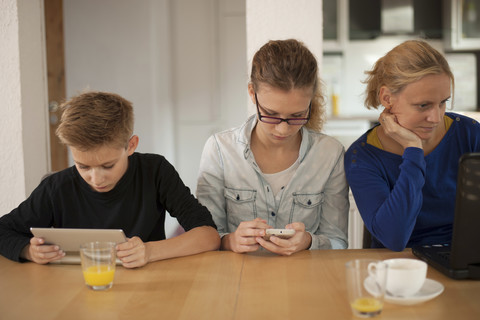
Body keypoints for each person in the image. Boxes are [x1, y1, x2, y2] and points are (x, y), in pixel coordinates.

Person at [0, 91, 220, 267]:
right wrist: (27, 250)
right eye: (83, 166)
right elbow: (3, 230)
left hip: (147, 289)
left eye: (108, 166)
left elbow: (208, 235)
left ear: (131, 145)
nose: (96, 179)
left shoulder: (155, 171)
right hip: (73, 292)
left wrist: (150, 251)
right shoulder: (56, 187)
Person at [196, 39, 349, 255]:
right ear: (252, 93)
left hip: (305, 280)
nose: (282, 130)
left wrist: (307, 241)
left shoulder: (329, 154)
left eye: (297, 116)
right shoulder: (220, 150)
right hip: (239, 280)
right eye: (271, 114)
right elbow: (204, 236)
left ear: (311, 101)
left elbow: (338, 242)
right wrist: (230, 241)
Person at [344, 40, 480, 251]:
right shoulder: (362, 157)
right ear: (387, 98)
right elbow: (394, 238)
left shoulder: (469, 135)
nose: (435, 118)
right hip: (398, 267)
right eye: (423, 105)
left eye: (443, 102)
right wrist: (413, 151)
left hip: (464, 260)